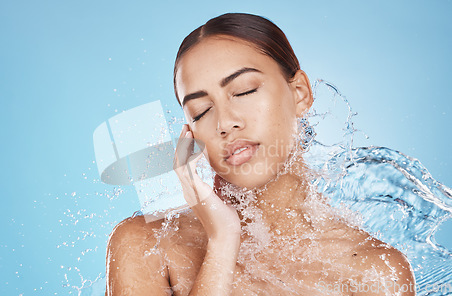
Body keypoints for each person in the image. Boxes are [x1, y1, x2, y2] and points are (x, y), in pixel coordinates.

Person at [105, 13, 416, 295]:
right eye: (201, 112)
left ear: (300, 94)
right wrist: (222, 241)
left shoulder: (376, 273)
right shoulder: (146, 246)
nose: (225, 123)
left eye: (243, 91)